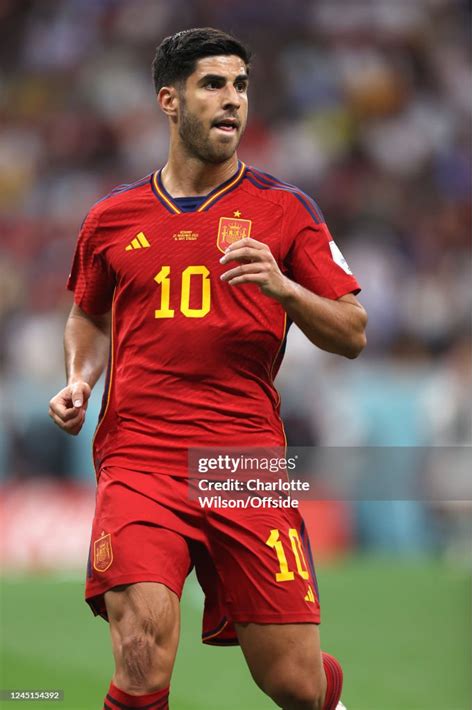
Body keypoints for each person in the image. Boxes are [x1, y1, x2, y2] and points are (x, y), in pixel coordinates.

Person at [49, 27, 367, 710]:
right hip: (140, 456)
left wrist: (286, 290)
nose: (232, 101)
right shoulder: (111, 218)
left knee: (294, 684)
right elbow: (89, 315)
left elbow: (353, 332)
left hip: (242, 458)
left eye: (241, 86)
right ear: (169, 99)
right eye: (213, 85)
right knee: (140, 655)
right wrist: (80, 377)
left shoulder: (284, 210)